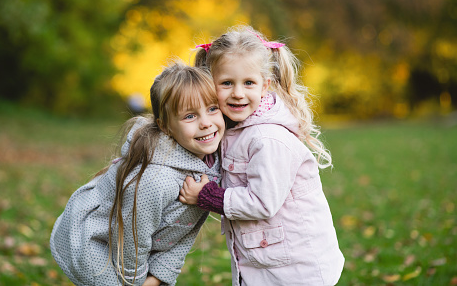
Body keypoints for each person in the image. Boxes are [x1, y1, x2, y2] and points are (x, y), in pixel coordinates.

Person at [179, 26, 344, 286]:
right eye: (226, 83)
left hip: (296, 271)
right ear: (211, 84)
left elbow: (262, 202)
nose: (237, 93)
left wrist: (206, 195)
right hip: (266, 262)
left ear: (265, 85)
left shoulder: (268, 139)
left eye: (248, 83)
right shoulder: (234, 129)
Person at [50, 61, 225, 286]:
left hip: (131, 248)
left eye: (212, 109)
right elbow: (131, 242)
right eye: (190, 116)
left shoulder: (210, 164)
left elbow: (184, 232)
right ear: (165, 127)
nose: (206, 123)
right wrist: (137, 283)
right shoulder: (155, 181)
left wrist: (160, 276)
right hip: (94, 246)